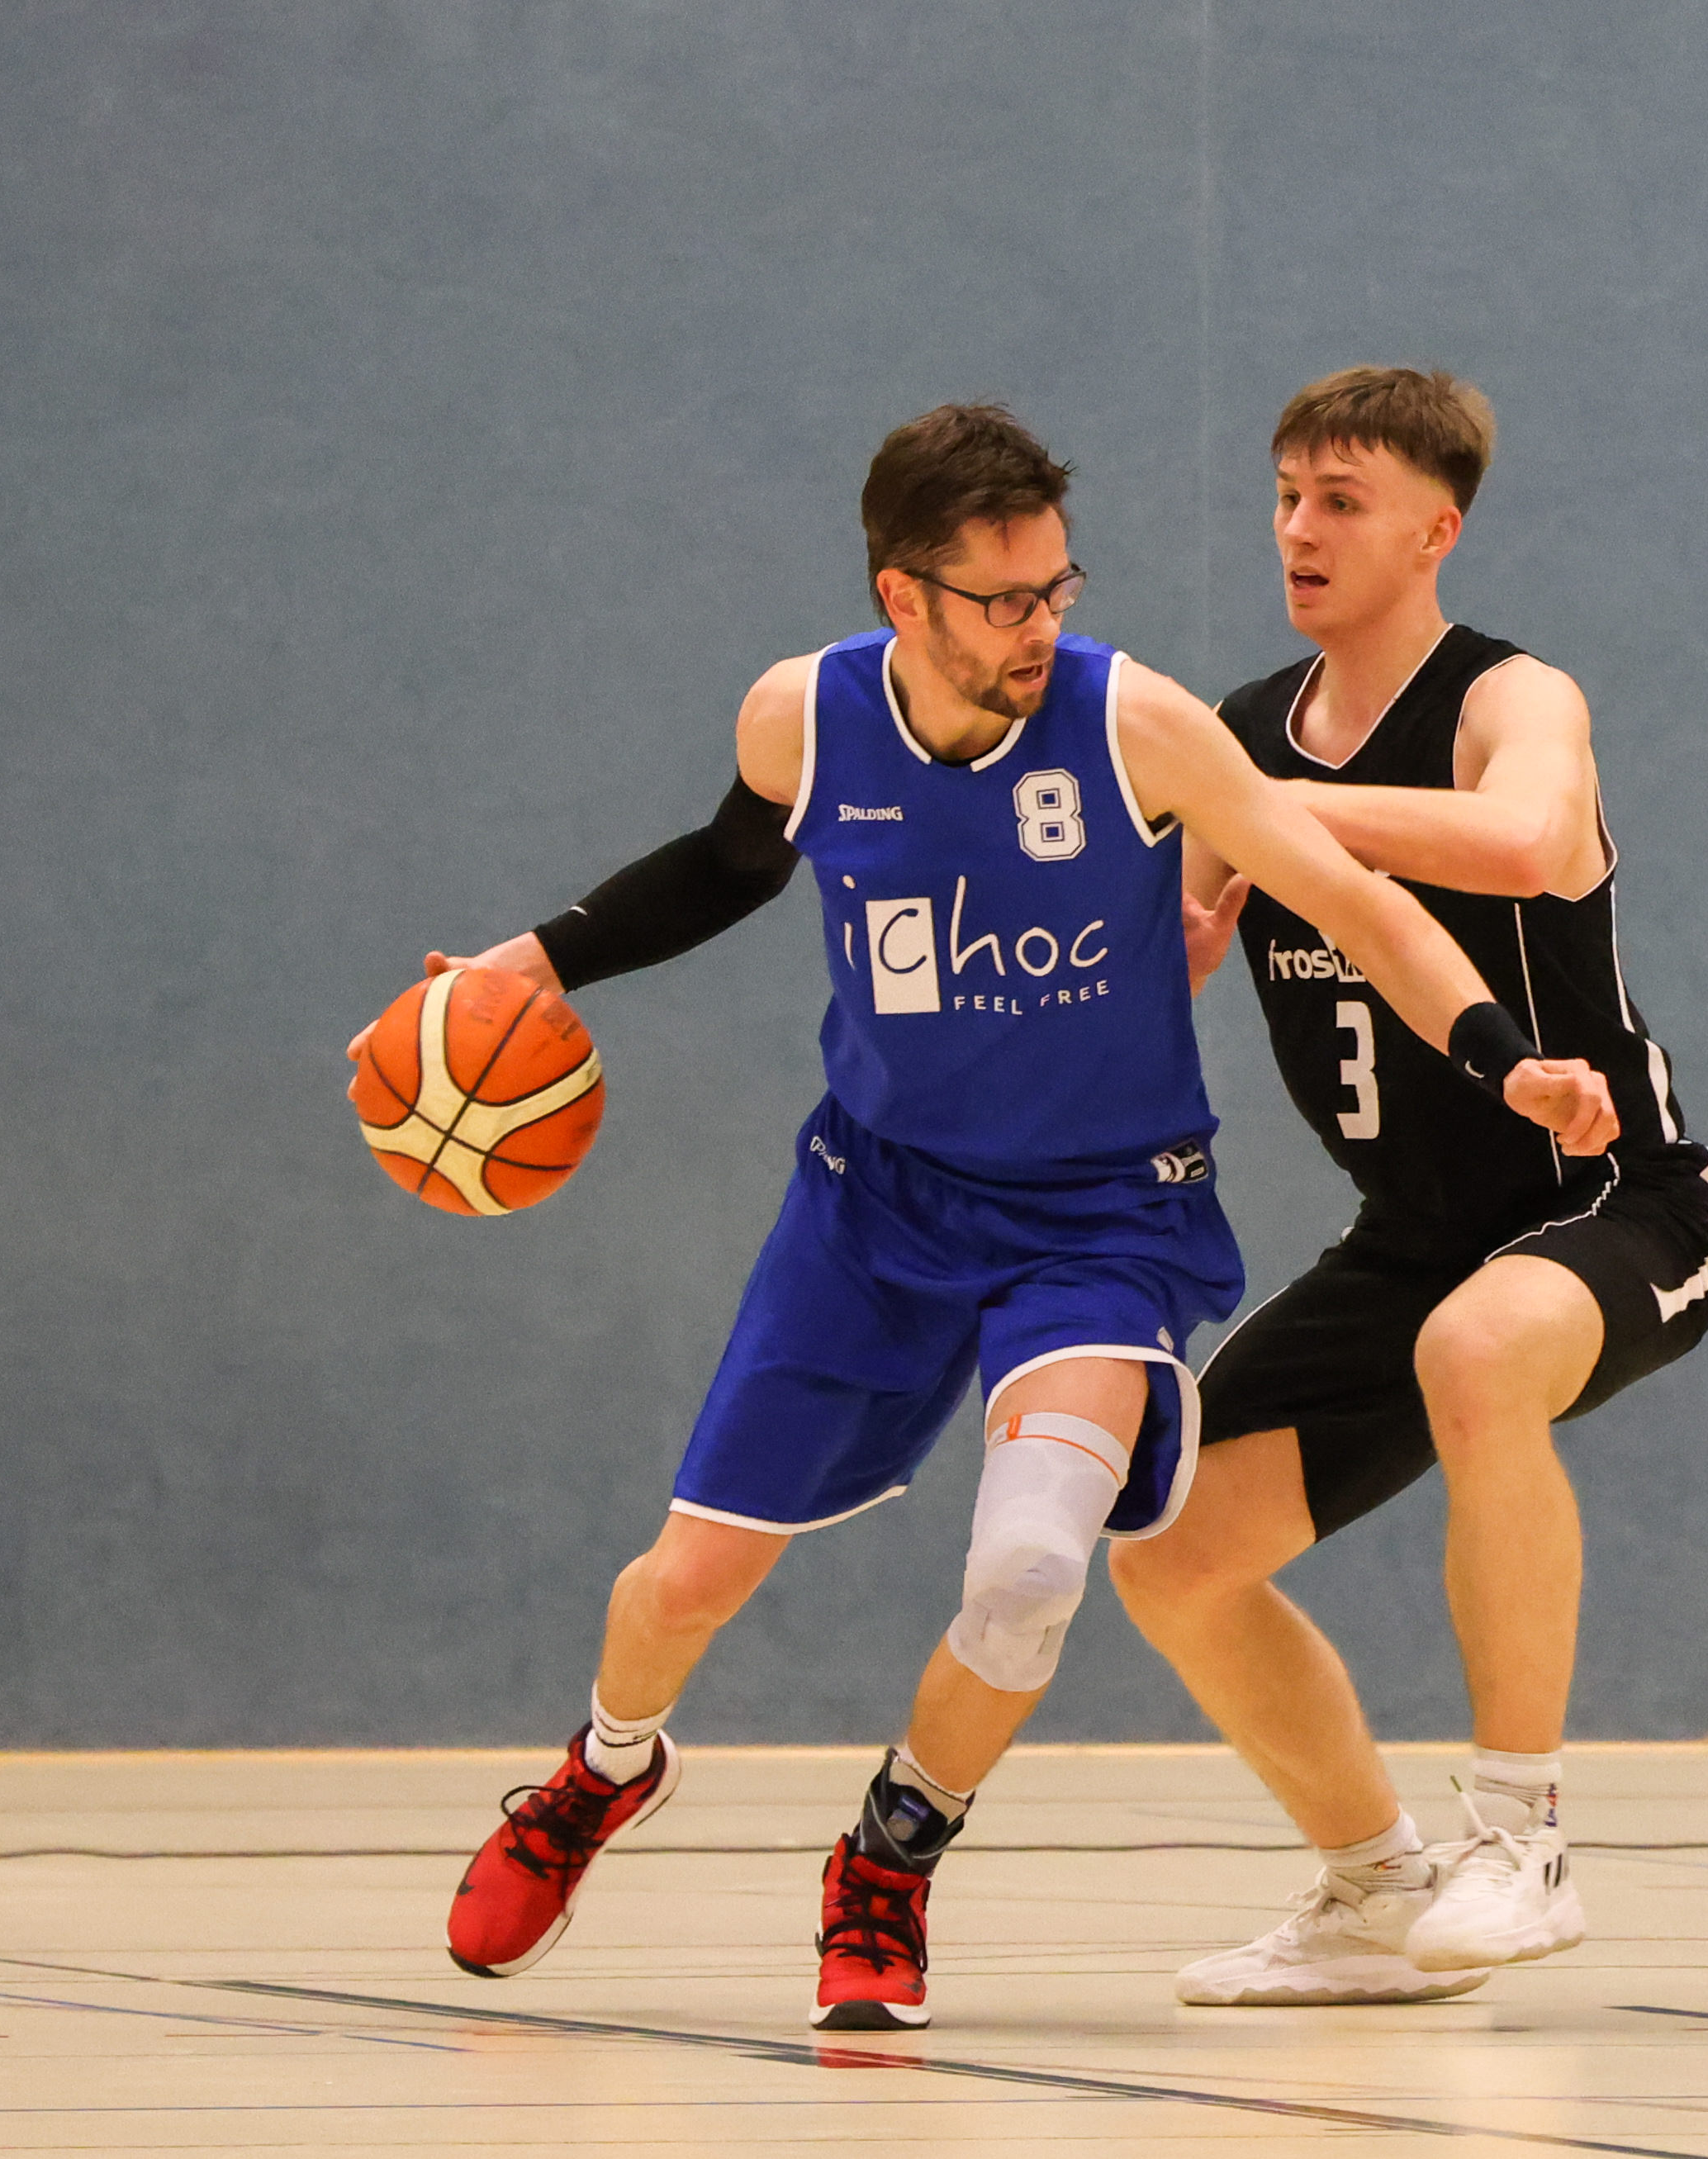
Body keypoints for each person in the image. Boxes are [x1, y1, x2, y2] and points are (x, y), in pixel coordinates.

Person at [410, 404, 1616, 2032]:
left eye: (1057, 587)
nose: (1039, 624)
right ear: (902, 596)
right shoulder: (804, 715)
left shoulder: (1137, 724)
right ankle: (604, 1766)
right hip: (872, 1207)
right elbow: (721, 865)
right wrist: (530, 961)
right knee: (685, 1581)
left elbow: (1356, 898)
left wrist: (1500, 1055)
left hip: (1098, 1224)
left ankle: (889, 1856)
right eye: (1001, 600)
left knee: (1036, 1565)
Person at [1109, 369, 1708, 2008]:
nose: (1298, 529)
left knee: (1478, 1349)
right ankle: (1374, 1886)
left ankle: (1521, 1837)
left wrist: (1264, 814)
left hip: (1613, 1199)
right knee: (1167, 1548)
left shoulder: (1509, 700)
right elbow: (1161, 941)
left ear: (1434, 531)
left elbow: (1523, 841)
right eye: (1286, 495)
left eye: (1342, 500)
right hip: (1411, 1235)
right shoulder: (1244, 731)